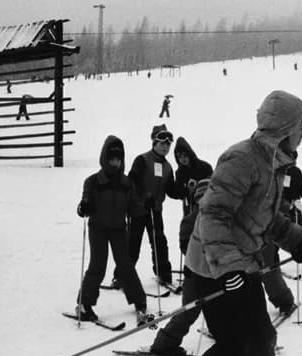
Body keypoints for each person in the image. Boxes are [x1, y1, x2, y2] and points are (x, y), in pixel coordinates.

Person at [150, 90, 302, 356]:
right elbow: (213, 215)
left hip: (243, 265)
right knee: (233, 343)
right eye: (301, 127)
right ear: (285, 128)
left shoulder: (275, 165)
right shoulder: (242, 159)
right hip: (213, 267)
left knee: (262, 337)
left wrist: (296, 240)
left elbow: (260, 218)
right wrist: (229, 270)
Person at [75, 136, 153, 325]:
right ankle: (84, 304)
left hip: (118, 229)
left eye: (118, 159)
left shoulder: (126, 183)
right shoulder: (93, 181)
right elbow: (84, 205)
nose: (115, 163)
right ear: (105, 158)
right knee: (97, 265)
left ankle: (140, 302)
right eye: (112, 159)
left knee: (125, 265)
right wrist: (84, 207)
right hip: (98, 229)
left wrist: (145, 205)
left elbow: (134, 208)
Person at [114, 124, 175, 289]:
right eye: (162, 143)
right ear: (154, 143)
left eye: (168, 144)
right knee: (133, 244)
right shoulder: (142, 160)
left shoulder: (168, 167)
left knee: (159, 242)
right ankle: (121, 276)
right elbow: (133, 181)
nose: (165, 147)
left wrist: (183, 190)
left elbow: (171, 189)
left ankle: (163, 273)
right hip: (138, 210)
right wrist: (143, 197)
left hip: (156, 210)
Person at [260, 159, 302, 313]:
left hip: (292, 209)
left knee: (298, 236)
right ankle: (277, 264)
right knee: (276, 244)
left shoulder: (294, 172)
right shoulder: (272, 173)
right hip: (280, 211)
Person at [171, 136, 213, 256]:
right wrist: (186, 190)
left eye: (185, 155)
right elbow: (179, 192)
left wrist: (198, 186)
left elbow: (212, 184)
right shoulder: (180, 172)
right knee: (189, 234)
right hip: (188, 206)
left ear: (190, 154)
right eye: (179, 157)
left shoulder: (204, 167)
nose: (183, 159)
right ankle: (190, 259)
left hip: (204, 207)